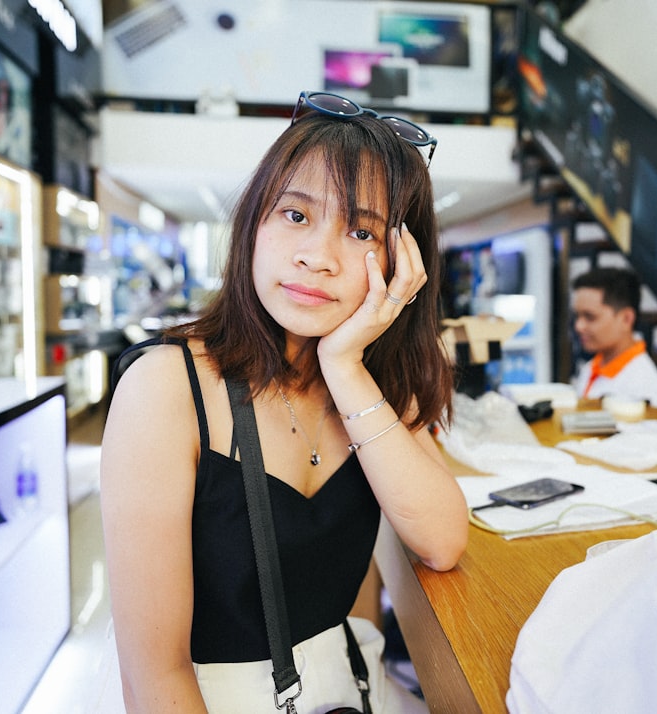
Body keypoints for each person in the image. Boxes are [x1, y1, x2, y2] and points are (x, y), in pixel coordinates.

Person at [100, 90, 469, 713]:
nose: (317, 257)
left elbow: (441, 540)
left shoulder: (374, 382)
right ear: (253, 223)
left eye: (360, 230)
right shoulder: (165, 388)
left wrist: (346, 367)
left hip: (351, 684)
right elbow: (153, 676)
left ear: (402, 261)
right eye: (295, 215)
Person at [571, 266, 657, 410]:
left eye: (590, 317)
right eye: (577, 316)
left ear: (626, 319)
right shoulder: (590, 368)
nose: (579, 326)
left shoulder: (647, 391)